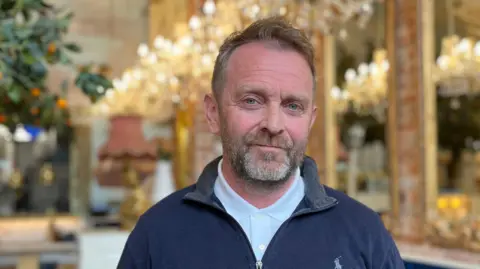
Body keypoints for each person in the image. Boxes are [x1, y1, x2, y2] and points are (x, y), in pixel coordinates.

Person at [117, 16, 405, 269]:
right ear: (213, 113)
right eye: (252, 100)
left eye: (293, 106)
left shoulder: (364, 232)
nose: (274, 124)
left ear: (310, 120)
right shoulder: (156, 234)